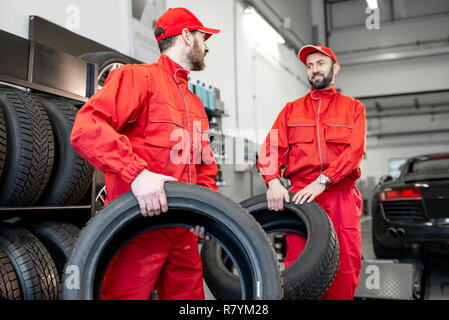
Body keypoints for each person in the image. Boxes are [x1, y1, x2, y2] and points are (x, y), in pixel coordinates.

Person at [70, 7, 220, 300]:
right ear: (187, 37)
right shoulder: (138, 79)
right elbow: (86, 128)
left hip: (184, 231)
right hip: (138, 226)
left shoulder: (195, 104)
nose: (208, 46)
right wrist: (136, 173)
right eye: (204, 38)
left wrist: (208, 209)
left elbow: (204, 165)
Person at [257, 45, 366, 300]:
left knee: (344, 269)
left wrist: (324, 180)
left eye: (320, 63)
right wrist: (272, 180)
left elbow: (354, 152)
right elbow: (270, 149)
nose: (314, 69)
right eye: (309, 66)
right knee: (300, 271)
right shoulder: (290, 110)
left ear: (335, 68)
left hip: (341, 197)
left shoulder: (354, 109)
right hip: (301, 199)